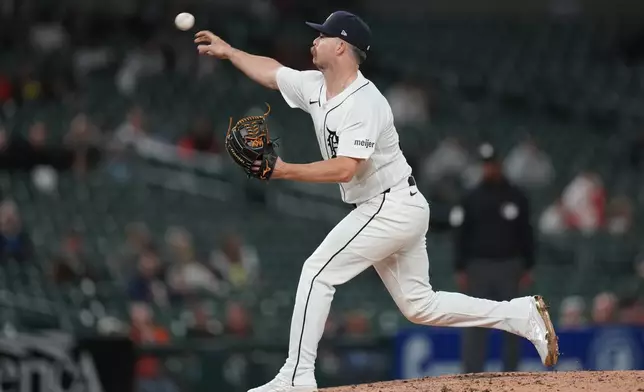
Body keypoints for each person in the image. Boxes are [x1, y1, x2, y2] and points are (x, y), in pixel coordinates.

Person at [194, 11, 559, 392]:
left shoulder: (365, 102)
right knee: (421, 306)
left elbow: (346, 169)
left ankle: (297, 376)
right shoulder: (317, 86)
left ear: (341, 46)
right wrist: (231, 51)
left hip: (389, 206)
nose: (314, 41)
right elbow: (273, 72)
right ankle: (520, 314)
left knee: (317, 272)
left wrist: (282, 170)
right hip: (393, 205)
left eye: (322, 36)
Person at [453, 143, 536, 373]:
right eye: (485, 164)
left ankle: (511, 373)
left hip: (509, 266)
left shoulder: (517, 196)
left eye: (492, 164)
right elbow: (460, 235)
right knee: (476, 321)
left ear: (500, 165)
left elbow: (526, 233)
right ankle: (472, 374)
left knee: (512, 322)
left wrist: (529, 265)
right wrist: (460, 267)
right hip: (478, 267)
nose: (489, 169)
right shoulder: (470, 198)